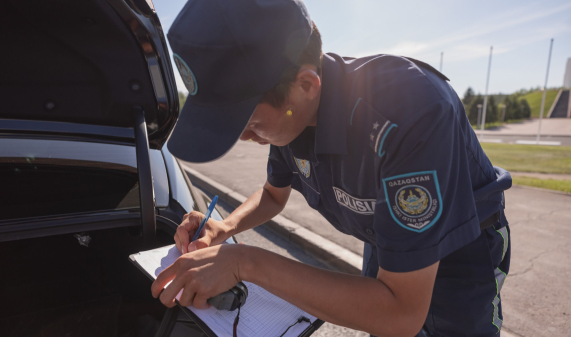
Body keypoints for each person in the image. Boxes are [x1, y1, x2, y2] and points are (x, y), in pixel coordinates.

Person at [152, 0, 512, 336]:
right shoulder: (290, 116)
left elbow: (401, 312)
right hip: (389, 243)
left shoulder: (411, 112)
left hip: (461, 254)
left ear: (306, 85)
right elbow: (273, 195)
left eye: (248, 122)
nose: (242, 137)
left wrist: (245, 262)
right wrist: (223, 227)